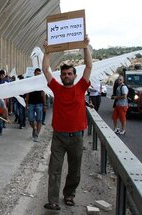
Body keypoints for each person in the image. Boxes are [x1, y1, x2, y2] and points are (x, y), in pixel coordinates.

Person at [42, 36, 92, 210]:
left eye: (69, 73)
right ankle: (53, 200)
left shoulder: (81, 87)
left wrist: (85, 47)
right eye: (64, 74)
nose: (66, 76)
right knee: (54, 170)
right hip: (59, 137)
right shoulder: (56, 88)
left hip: (77, 137)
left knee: (74, 170)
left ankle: (69, 195)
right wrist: (47, 51)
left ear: (74, 75)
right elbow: (45, 69)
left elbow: (89, 66)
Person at [25, 68, 46, 142]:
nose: (38, 74)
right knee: (30, 119)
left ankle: (36, 135)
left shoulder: (41, 82)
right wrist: (26, 104)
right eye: (37, 73)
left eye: (39, 73)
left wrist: (44, 105)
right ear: (34, 73)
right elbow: (28, 94)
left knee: (39, 120)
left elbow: (43, 94)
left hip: (39, 103)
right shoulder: (31, 81)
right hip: (31, 103)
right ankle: (34, 128)